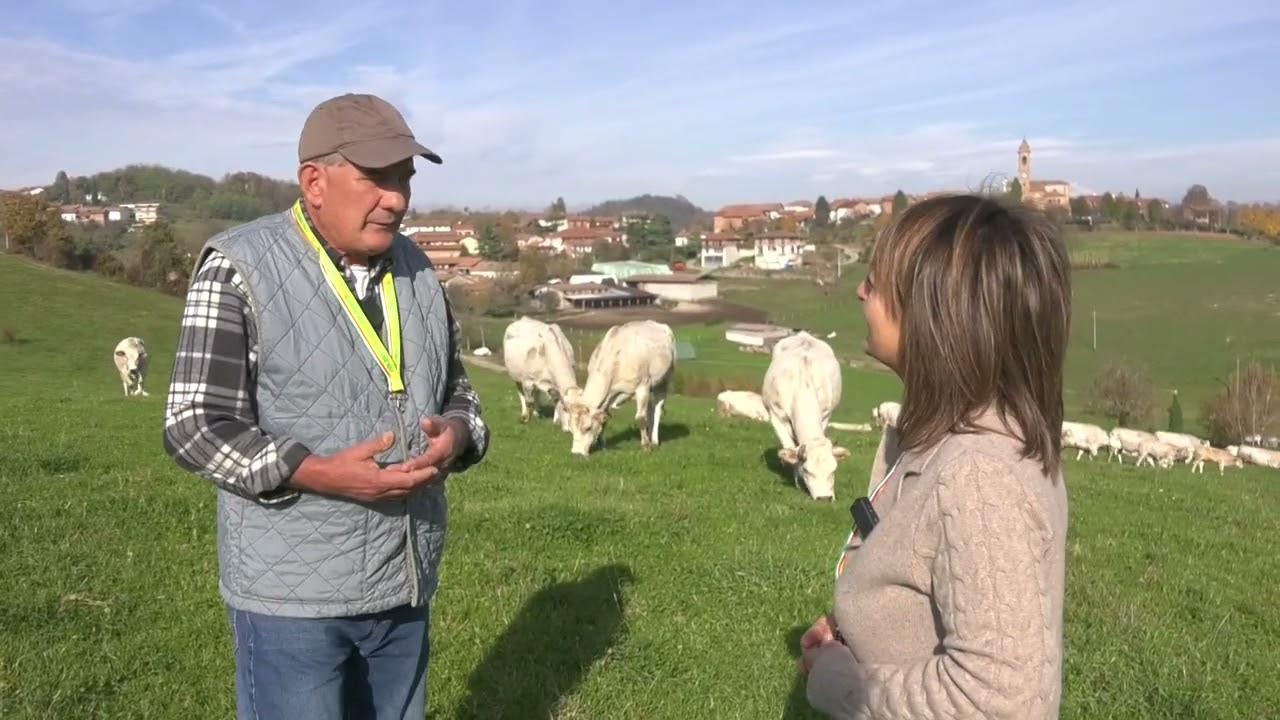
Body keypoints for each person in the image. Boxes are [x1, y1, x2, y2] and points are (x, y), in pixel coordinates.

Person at [162, 92, 490, 720]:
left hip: (405, 581)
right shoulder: (240, 267)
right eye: (376, 178)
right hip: (294, 602)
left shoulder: (419, 268)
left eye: (405, 179)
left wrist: (456, 433)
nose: (396, 198)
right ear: (315, 181)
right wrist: (317, 471)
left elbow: (461, 390)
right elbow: (194, 425)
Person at [798, 194, 1071, 719]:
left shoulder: (978, 475)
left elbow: (1002, 703)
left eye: (874, 283)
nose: (859, 292)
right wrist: (853, 634)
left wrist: (841, 683)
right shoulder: (956, 436)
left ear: (932, 313)